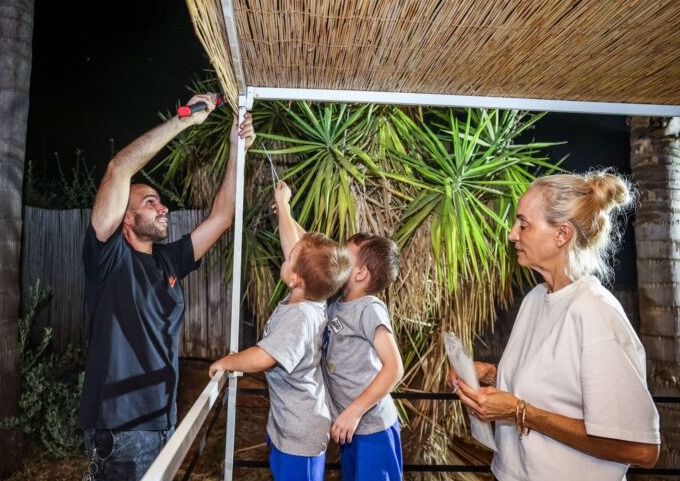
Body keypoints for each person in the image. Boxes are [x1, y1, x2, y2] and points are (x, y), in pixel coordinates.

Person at [77, 93, 255, 480]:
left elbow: (222, 217)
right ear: (125, 217)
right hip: (121, 426)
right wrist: (184, 121)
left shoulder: (168, 260)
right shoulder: (108, 259)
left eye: (162, 203)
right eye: (151, 202)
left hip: (161, 419)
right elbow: (119, 167)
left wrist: (235, 149)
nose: (164, 208)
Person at [449, 170, 661, 480]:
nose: (512, 234)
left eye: (524, 224)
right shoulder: (536, 298)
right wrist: (495, 376)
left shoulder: (594, 312)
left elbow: (641, 449)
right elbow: (558, 388)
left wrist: (521, 412)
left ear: (561, 235)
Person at [209, 182, 353, 481]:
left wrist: (227, 361)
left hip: (299, 435)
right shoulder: (313, 295)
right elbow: (302, 249)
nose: (285, 254)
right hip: (290, 424)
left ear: (294, 278)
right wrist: (283, 208)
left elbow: (263, 357)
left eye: (288, 258)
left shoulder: (299, 318)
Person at [273, 180, 406, 480]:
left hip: (371, 427)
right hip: (350, 427)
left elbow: (395, 368)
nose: (337, 260)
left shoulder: (369, 308)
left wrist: (355, 411)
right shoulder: (336, 301)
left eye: (346, 257)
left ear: (359, 273)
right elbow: (306, 251)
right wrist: (285, 210)